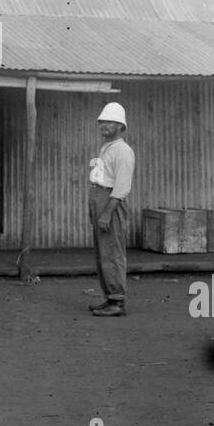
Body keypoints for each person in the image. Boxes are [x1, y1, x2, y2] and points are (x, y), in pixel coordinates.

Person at [87, 102, 135, 316]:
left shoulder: (123, 151)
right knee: (102, 251)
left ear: (121, 126)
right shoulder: (107, 147)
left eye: (110, 122)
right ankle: (110, 298)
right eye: (102, 122)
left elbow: (122, 187)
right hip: (100, 197)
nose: (104, 126)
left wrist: (107, 212)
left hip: (110, 201)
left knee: (112, 251)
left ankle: (117, 302)